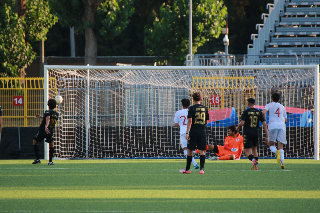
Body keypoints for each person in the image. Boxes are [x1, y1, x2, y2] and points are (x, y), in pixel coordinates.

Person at [179, 92, 209, 174]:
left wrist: (187, 132)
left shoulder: (191, 108)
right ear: (201, 99)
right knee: (202, 150)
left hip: (193, 131)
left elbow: (190, 121)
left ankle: (187, 169)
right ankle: (202, 169)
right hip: (202, 131)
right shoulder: (205, 108)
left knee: (190, 150)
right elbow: (206, 121)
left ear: (193, 99)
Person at [237, 98, 268, 170]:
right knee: (254, 149)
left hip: (248, 132)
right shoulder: (259, 112)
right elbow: (264, 124)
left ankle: (253, 161)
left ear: (248, 104)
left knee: (246, 151)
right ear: (254, 103)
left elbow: (242, 123)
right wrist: (267, 135)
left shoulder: (246, 111)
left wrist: (237, 128)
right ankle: (256, 166)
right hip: (256, 132)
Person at [263, 92, 287, 169]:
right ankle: (282, 162)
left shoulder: (269, 105)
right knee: (281, 146)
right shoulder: (282, 107)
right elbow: (285, 120)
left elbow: (264, 112)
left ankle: (277, 153)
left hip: (272, 125)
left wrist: (265, 121)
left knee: (271, 144)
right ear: (279, 99)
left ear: (272, 98)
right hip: (281, 126)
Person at [32, 99, 59, 165]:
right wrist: (41, 117)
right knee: (51, 144)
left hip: (43, 130)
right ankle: (50, 161)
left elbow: (48, 118)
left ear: (48, 105)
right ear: (55, 106)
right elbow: (49, 117)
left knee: (35, 141)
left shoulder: (47, 112)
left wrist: (46, 126)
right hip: (50, 131)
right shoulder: (56, 114)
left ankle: (38, 159)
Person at [174, 98, 199, 169]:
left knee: (185, 149)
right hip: (192, 131)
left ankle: (195, 164)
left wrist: (181, 123)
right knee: (191, 148)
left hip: (183, 132)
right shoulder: (192, 111)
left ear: (182, 104)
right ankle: (195, 152)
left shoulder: (178, 112)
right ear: (189, 104)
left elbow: (176, 124)